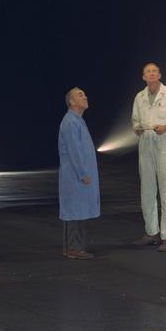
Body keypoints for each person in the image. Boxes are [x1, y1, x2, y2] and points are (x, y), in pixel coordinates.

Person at [131, 63, 166, 251]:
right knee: (147, 190)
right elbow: (135, 121)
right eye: (148, 71)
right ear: (143, 77)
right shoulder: (139, 97)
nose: (151, 73)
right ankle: (151, 232)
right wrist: (137, 129)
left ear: (160, 75)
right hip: (146, 145)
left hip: (164, 145)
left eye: (154, 71)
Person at [58, 87, 100, 259]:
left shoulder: (77, 120)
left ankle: (74, 247)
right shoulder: (70, 122)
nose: (85, 96)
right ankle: (74, 248)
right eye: (80, 95)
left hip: (78, 175)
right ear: (72, 102)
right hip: (75, 176)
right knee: (75, 211)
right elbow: (75, 151)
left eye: (84, 94)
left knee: (78, 210)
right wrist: (83, 173)